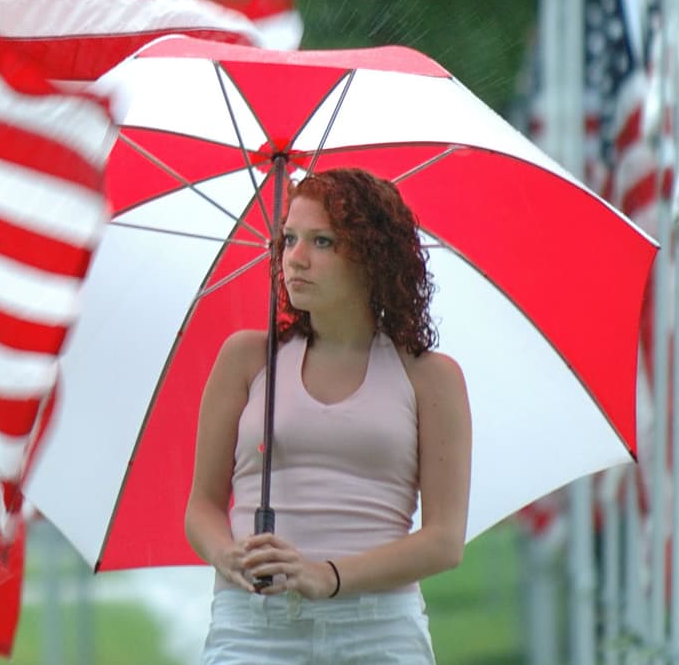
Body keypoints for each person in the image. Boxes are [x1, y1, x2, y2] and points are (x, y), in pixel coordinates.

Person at [184, 167, 471, 664]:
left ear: (372, 256)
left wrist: (326, 576)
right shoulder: (248, 359)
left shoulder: (431, 377)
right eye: (289, 239)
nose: (295, 259)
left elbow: (444, 542)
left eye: (322, 242)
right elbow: (201, 507)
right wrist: (226, 555)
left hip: (378, 631)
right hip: (253, 629)